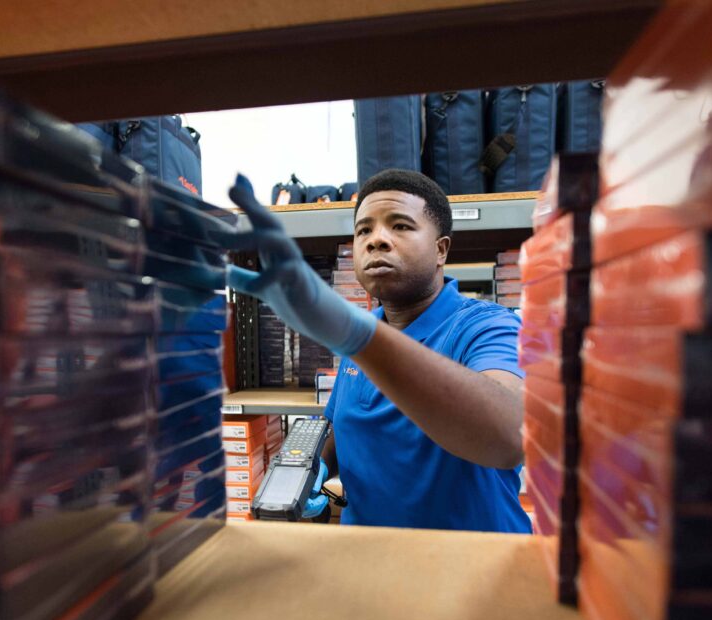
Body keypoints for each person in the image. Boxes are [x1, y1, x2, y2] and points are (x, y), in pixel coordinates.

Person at [223, 169, 529, 533]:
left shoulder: (487, 327)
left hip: (472, 566)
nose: (376, 240)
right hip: (369, 558)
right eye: (363, 230)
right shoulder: (364, 339)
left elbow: (510, 436)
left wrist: (358, 335)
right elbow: (342, 431)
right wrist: (309, 469)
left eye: (400, 226)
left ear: (440, 250)